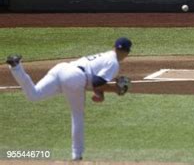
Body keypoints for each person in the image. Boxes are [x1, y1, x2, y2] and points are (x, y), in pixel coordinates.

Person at [5, 37, 133, 161]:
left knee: (34, 95)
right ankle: (77, 155)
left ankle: (16, 66)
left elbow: (94, 79)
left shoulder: (105, 55)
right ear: (127, 52)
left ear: (114, 47)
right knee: (77, 115)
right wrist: (116, 89)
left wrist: (100, 94)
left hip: (61, 68)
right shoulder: (114, 63)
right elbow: (96, 81)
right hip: (75, 77)